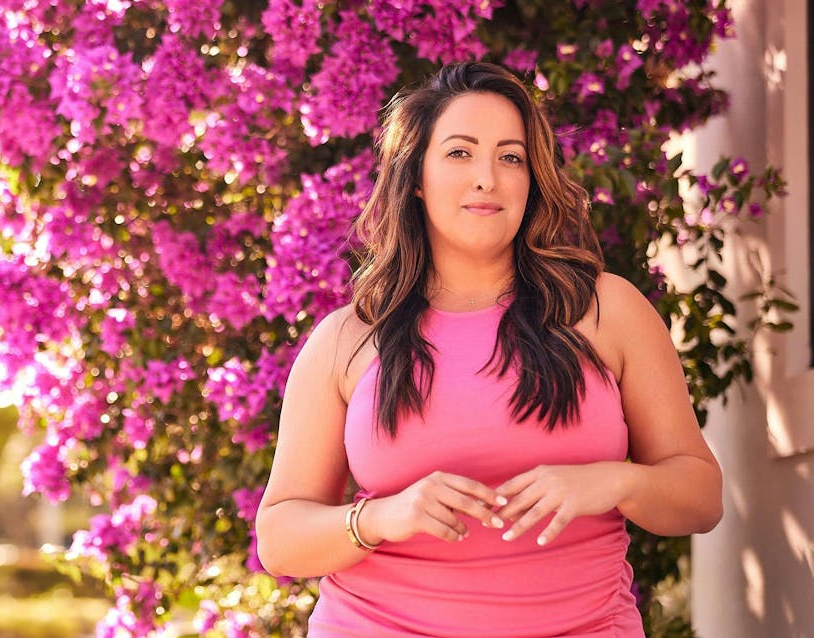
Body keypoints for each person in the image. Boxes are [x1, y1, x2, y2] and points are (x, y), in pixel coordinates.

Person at [255, 62, 723, 637]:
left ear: (531, 179)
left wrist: (616, 481)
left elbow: (700, 497)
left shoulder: (607, 310)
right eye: (459, 153)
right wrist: (382, 516)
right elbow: (280, 540)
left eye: (510, 156)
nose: (488, 178)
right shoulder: (347, 340)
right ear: (417, 177)